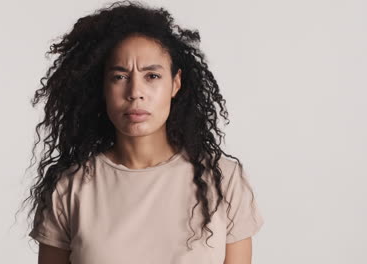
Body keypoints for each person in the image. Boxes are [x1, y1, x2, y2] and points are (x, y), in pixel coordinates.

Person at [23, 1, 264, 263]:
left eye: (152, 76)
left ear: (176, 83)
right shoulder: (69, 188)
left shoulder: (223, 180)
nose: (135, 92)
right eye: (119, 77)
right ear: (102, 87)